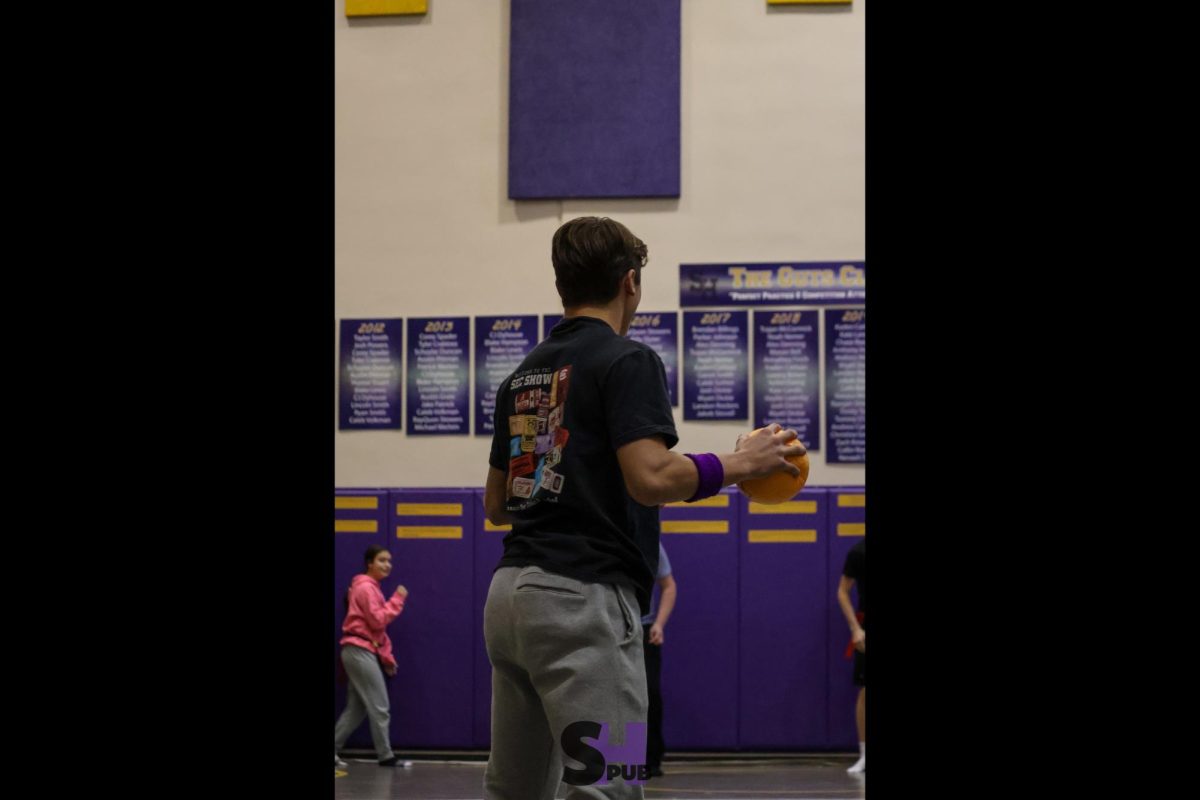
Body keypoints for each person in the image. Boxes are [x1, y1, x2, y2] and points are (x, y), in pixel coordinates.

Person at [481, 216, 805, 799]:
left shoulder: (520, 377)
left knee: (515, 791)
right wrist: (743, 464)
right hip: (584, 602)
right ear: (630, 282)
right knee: (609, 787)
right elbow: (652, 479)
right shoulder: (627, 360)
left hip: (509, 601)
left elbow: (498, 505)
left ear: (562, 284)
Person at [333, 545, 413, 768]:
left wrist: (386, 659)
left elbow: (375, 632)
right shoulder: (366, 589)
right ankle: (386, 756)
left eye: (389, 561)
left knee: (356, 709)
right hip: (359, 651)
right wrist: (398, 599)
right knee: (380, 706)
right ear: (370, 563)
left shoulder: (368, 587)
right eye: (381, 560)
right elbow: (378, 622)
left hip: (357, 650)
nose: (387, 565)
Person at [641, 541, 675, 779]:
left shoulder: (650, 543)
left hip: (642, 628)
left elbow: (668, 586)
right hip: (610, 625)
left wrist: (659, 624)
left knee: (647, 695)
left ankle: (649, 759)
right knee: (614, 697)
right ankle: (624, 761)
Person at [836, 537, 866, 774]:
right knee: (865, 691)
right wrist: (855, 628)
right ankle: (864, 754)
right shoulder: (859, 551)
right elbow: (843, 591)